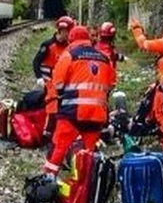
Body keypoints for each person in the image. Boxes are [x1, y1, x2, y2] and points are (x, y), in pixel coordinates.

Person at [41, 25, 115, 176]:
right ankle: (86, 187)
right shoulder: (104, 58)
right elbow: (111, 84)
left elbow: (58, 84)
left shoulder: (69, 55)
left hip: (73, 111)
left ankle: (48, 179)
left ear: (71, 39)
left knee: (59, 146)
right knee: (88, 153)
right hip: (97, 114)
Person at [35, 16, 75, 142]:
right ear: (61, 30)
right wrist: (39, 78)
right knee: (52, 107)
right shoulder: (48, 45)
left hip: (63, 83)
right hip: (49, 82)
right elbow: (36, 62)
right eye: (67, 31)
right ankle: (47, 134)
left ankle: (62, 132)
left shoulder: (70, 47)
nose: (69, 34)